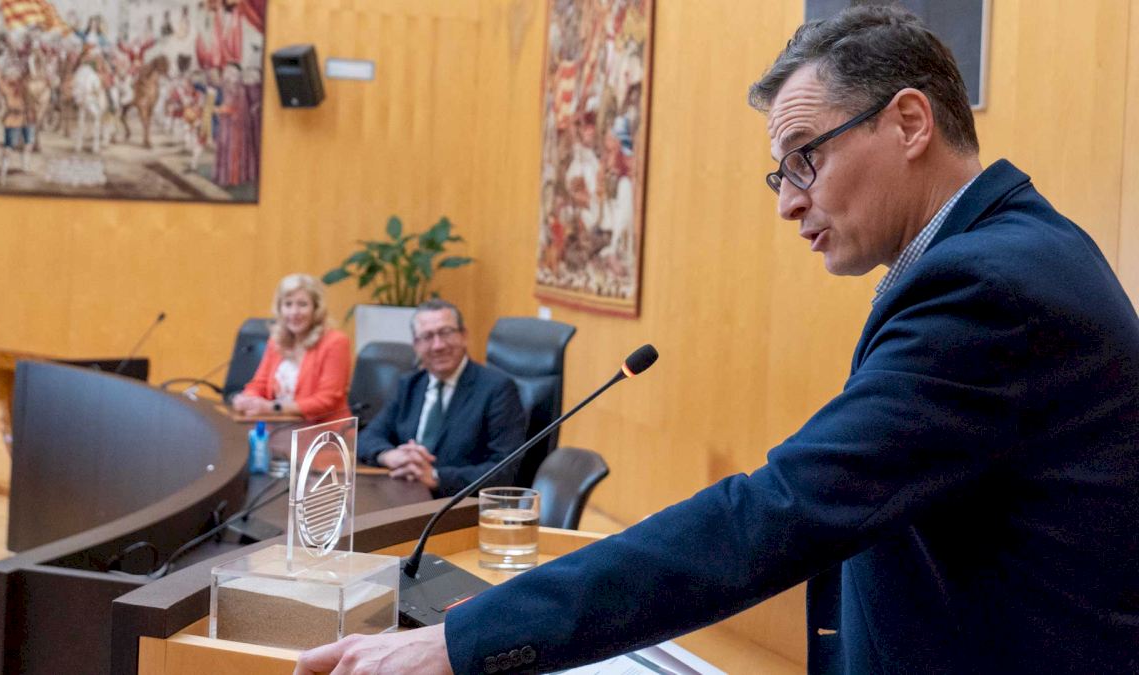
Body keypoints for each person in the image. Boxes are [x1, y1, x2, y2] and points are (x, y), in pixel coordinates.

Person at [295, 6, 1139, 675]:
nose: (789, 202)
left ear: (910, 122)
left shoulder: (989, 288)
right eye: (782, 173)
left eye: (805, 157)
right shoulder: (1005, 252)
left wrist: (462, 642)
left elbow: (781, 509)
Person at [355, 299, 526, 498]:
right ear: (416, 345)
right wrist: (390, 456)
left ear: (464, 335)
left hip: (457, 503)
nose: (438, 345)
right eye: (427, 337)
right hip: (404, 493)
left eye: (446, 332)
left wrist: (436, 477)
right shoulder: (410, 385)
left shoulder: (497, 389)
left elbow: (505, 470)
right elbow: (368, 437)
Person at [232, 273, 352, 422]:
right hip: (280, 426)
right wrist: (248, 399)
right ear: (280, 308)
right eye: (288, 304)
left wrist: (273, 408)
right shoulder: (276, 341)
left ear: (316, 309)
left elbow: (326, 400)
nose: (294, 312)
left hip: (323, 430)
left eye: (302, 304)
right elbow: (259, 384)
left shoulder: (336, 342)